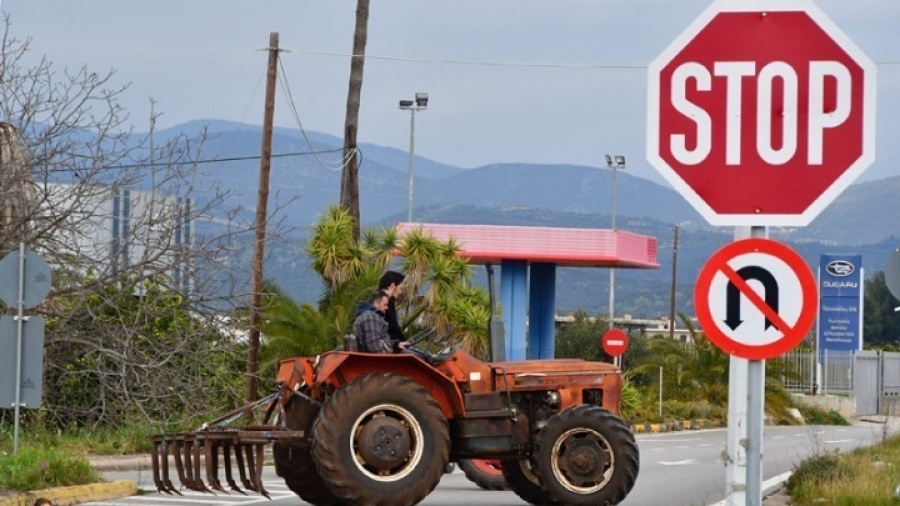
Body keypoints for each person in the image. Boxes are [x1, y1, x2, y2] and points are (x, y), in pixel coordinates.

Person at [378, 270, 407, 345]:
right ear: (392, 286)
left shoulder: (390, 303)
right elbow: (386, 331)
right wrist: (398, 343)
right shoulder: (381, 304)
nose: (400, 292)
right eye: (400, 289)